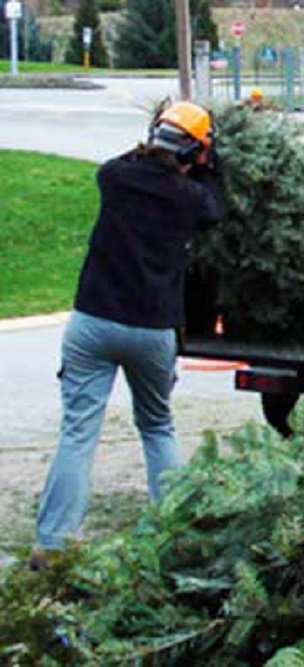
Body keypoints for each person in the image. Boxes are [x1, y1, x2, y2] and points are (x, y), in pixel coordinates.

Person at [30, 100, 223, 569]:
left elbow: (128, 159)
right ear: (195, 150)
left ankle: (53, 543)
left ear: (154, 134)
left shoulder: (113, 178)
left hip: (92, 323)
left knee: (78, 432)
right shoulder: (190, 199)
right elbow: (215, 207)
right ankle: (173, 531)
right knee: (157, 427)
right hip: (152, 331)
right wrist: (213, 163)